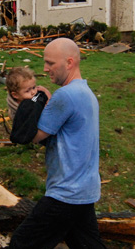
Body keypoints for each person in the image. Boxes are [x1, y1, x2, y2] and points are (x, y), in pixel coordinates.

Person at [9, 38, 106, 249]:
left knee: (21, 244)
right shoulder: (86, 93)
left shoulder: (66, 95)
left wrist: (26, 103)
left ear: (69, 62)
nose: (45, 69)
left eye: (50, 63)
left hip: (66, 193)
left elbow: (31, 136)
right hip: (84, 189)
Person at [6, 67, 50, 144]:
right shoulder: (21, 110)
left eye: (34, 87)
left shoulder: (35, 97)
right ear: (15, 95)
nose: (33, 92)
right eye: (28, 90)